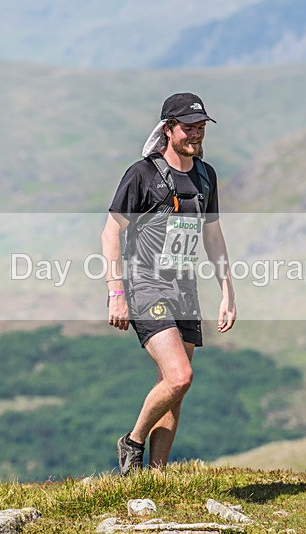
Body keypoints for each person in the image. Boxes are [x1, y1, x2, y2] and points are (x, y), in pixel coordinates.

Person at [101, 92, 237, 475]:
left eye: (201, 127)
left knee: (174, 389)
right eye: (188, 127)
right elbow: (111, 232)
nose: (196, 134)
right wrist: (116, 293)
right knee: (181, 375)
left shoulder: (206, 176)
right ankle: (132, 442)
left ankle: (156, 475)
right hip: (145, 285)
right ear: (168, 129)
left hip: (185, 291)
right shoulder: (142, 175)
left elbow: (213, 235)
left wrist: (228, 292)